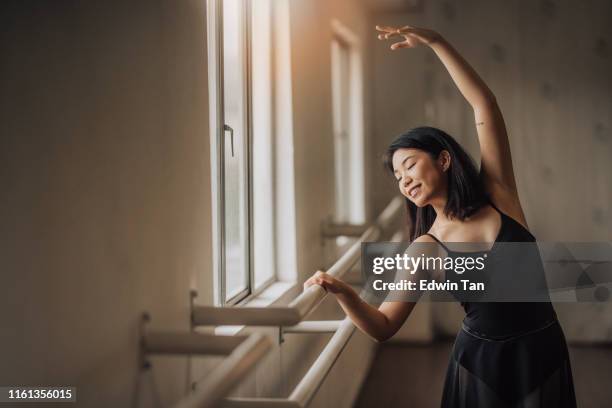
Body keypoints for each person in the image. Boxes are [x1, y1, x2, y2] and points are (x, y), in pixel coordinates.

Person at [304, 25, 577, 407]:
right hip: (481, 364)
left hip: (543, 351)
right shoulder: (425, 247)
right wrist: (343, 291)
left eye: (410, 165)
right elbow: (384, 326)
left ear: (444, 160)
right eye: (398, 177)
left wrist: (436, 43)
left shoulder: (500, 194)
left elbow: (485, 105)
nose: (404, 181)